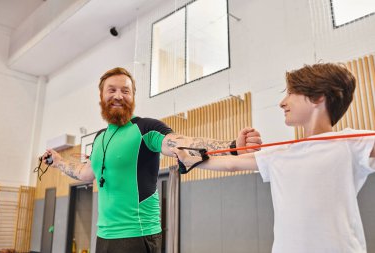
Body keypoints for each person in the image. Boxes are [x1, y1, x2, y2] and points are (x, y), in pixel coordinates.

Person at [42, 67, 261, 253]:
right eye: (112, 90)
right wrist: (58, 161)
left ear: (133, 97)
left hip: (138, 236)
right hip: (103, 235)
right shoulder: (100, 138)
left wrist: (233, 147)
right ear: (101, 96)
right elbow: (85, 173)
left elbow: (180, 142)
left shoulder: (146, 128)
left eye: (125, 91)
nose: (118, 95)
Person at [174, 63, 375, 253]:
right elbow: (231, 164)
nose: (282, 103)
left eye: (290, 93)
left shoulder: (351, 143)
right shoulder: (280, 153)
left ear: (318, 97)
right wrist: (189, 158)